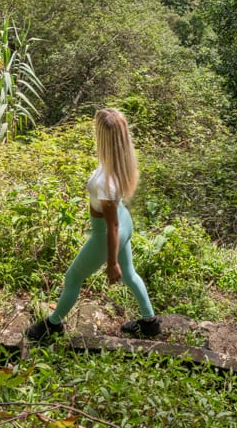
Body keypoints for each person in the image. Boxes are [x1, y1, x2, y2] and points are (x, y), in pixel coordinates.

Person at [25, 108, 161, 341]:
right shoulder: (118, 163)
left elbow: (112, 227)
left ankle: (52, 325)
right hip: (124, 220)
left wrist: (111, 262)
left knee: (73, 278)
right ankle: (150, 322)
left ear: (105, 138)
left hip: (107, 233)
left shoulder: (106, 181)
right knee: (130, 273)